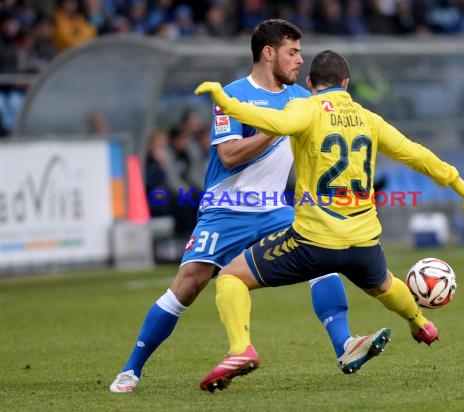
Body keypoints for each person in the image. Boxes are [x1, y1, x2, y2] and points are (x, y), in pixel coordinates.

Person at [110, 20, 388, 394]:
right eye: (293, 52)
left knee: (323, 256)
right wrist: (276, 127)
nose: (299, 61)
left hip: (276, 207)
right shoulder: (232, 96)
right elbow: (227, 155)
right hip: (226, 208)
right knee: (188, 285)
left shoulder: (303, 102)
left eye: (301, 53)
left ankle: (345, 345)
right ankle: (131, 370)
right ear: (268, 53)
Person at [194, 49, 464, 392]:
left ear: (310, 83)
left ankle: (241, 349)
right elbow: (414, 153)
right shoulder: (368, 118)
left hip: (315, 242)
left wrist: (226, 101)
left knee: (231, 278)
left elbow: (275, 124)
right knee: (384, 283)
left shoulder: (305, 108)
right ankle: (420, 322)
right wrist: (454, 179)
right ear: (346, 83)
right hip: (364, 243)